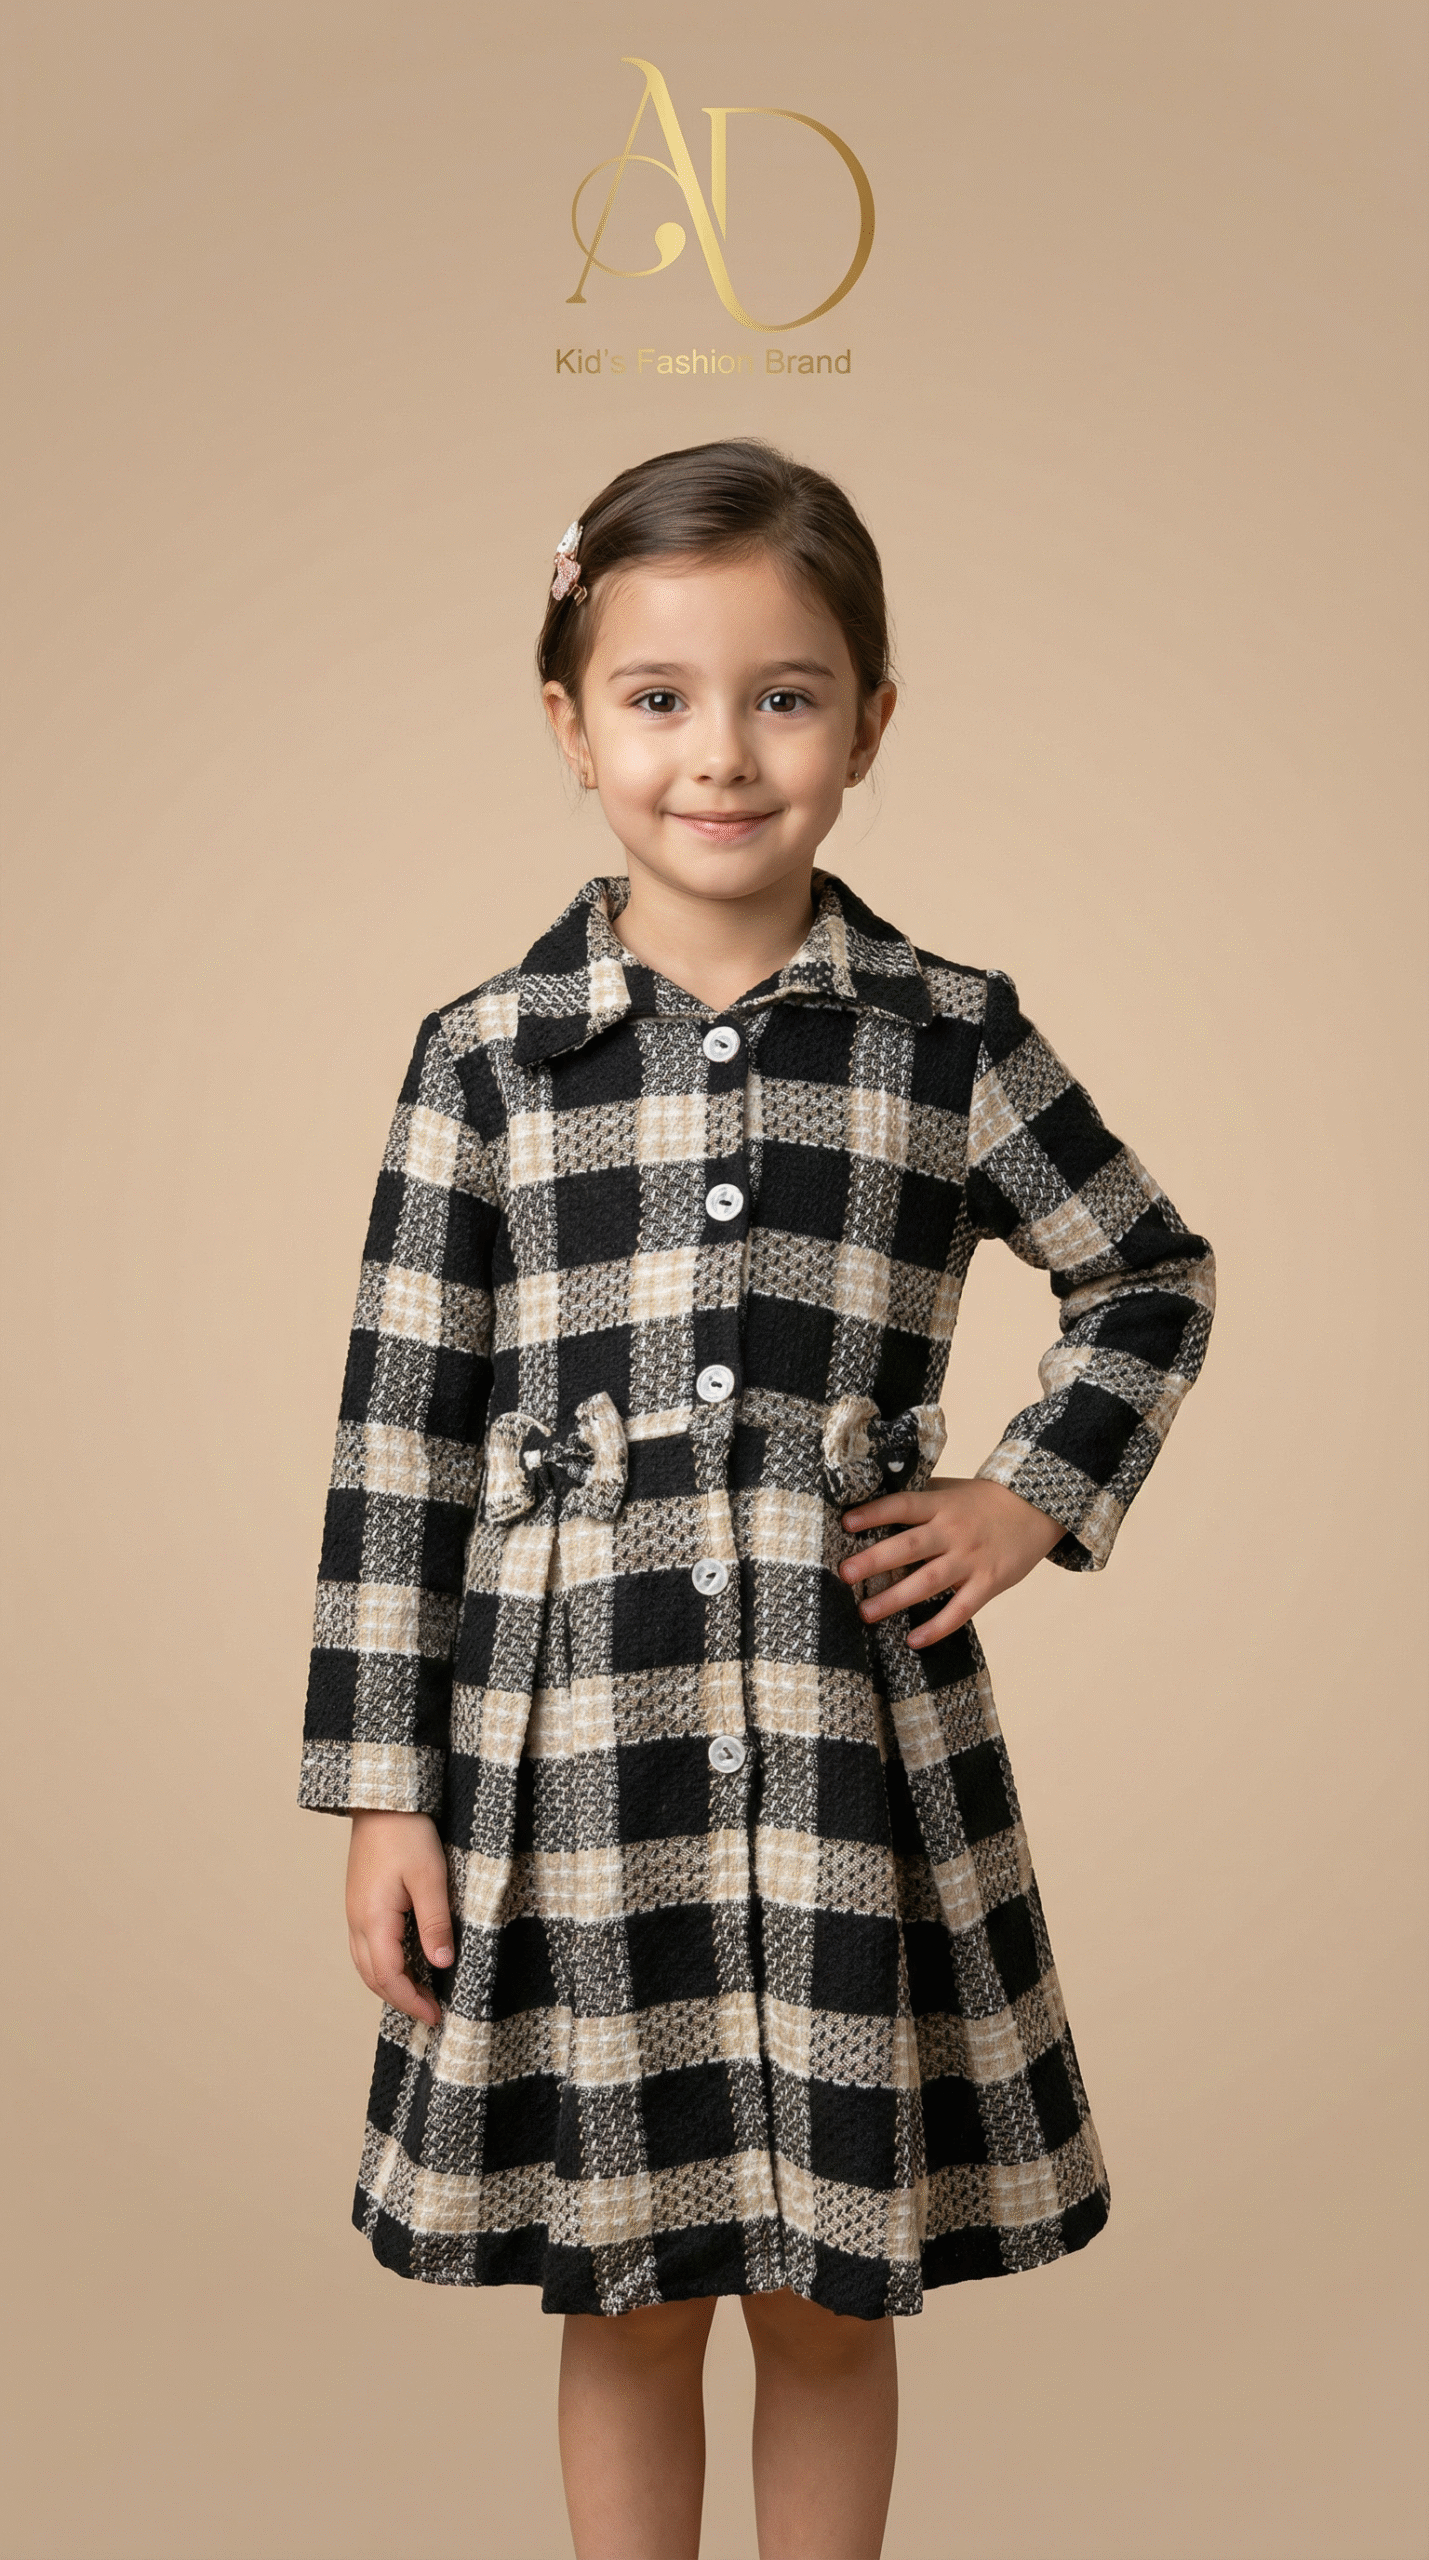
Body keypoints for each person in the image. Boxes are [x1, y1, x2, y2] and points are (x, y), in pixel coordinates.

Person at [298, 437, 1215, 2560]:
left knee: (825, 2282)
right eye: (660, 698)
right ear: (570, 723)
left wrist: (1028, 1498)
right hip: (567, 1757)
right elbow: (397, 1435)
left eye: (784, 697)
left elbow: (1148, 1275)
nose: (720, 753)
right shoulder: (486, 1056)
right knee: (626, 2287)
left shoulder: (948, 1036)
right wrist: (382, 1791)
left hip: (844, 1737)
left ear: (869, 722)